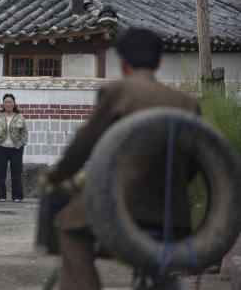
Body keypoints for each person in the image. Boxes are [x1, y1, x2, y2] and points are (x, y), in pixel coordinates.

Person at [42, 28, 201, 290]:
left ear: (123, 62)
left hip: (122, 207)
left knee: (68, 226)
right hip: (173, 215)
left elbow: (83, 144)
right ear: (159, 62)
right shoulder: (187, 103)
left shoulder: (118, 92)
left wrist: (58, 175)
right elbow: (196, 163)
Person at [0, 93, 28, 202]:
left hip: (16, 148)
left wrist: (21, 144)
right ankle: (1, 196)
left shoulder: (20, 118)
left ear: (14, 103)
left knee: (16, 173)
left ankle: (17, 196)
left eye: (10, 101)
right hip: (1, 148)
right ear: (3, 104)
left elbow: (25, 133)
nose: (8, 104)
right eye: (6, 102)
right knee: (0, 172)